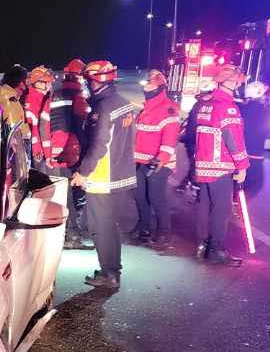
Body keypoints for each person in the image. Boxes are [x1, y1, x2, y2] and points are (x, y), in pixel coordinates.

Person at [70, 58, 137, 290]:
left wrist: (83, 172)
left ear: (95, 81)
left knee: (100, 227)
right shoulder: (123, 103)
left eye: (88, 81)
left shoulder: (103, 107)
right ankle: (112, 269)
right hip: (120, 173)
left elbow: (100, 144)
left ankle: (110, 274)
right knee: (110, 225)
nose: (87, 85)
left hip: (102, 177)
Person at [192, 64, 250, 265]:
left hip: (203, 164)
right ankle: (216, 250)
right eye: (238, 82)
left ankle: (201, 246)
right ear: (232, 82)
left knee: (204, 206)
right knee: (221, 209)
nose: (239, 85)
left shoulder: (205, 104)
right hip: (220, 165)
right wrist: (242, 165)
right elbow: (233, 138)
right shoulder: (228, 107)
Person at [132, 68, 181, 249]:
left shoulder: (169, 109)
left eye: (151, 86)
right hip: (140, 161)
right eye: (146, 85)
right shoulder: (145, 109)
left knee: (156, 197)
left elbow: (170, 139)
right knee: (139, 196)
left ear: (160, 88)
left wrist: (161, 159)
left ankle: (164, 233)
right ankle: (144, 229)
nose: (147, 89)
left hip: (159, 163)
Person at [50, 60, 91, 247]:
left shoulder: (55, 94)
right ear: (80, 77)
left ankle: (69, 231)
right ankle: (73, 232)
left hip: (55, 153)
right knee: (74, 192)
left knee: (63, 193)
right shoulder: (78, 97)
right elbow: (82, 126)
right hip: (72, 152)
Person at [237, 79, 270, 204]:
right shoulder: (265, 111)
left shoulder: (240, 109)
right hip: (255, 155)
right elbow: (268, 129)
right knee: (256, 184)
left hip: (239, 153)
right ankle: (240, 206)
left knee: (239, 183)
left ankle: (236, 202)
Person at [25, 66, 54, 171]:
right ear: (37, 83)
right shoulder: (36, 99)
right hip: (38, 150)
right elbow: (38, 129)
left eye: (49, 82)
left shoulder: (31, 96)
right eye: (45, 82)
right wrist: (42, 152)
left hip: (35, 148)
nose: (48, 85)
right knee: (41, 178)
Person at [0, 65, 30, 138]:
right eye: (26, 81)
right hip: (16, 143)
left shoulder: (3, 96)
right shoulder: (9, 102)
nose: (28, 85)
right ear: (20, 83)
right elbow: (14, 133)